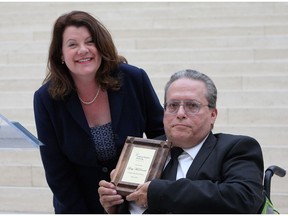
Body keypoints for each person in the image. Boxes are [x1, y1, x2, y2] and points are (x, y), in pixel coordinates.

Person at [33, 11, 164, 214]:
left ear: (101, 46)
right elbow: (56, 169)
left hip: (135, 200)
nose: (83, 50)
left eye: (90, 42)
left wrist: (149, 187)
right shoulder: (46, 99)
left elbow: (160, 134)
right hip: (77, 204)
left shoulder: (133, 79)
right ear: (60, 54)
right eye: (72, 44)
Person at [98, 69, 265, 214]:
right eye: (172, 105)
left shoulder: (235, 148)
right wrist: (115, 207)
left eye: (192, 105)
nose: (180, 113)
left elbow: (245, 199)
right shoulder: (144, 149)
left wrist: (160, 192)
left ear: (213, 114)